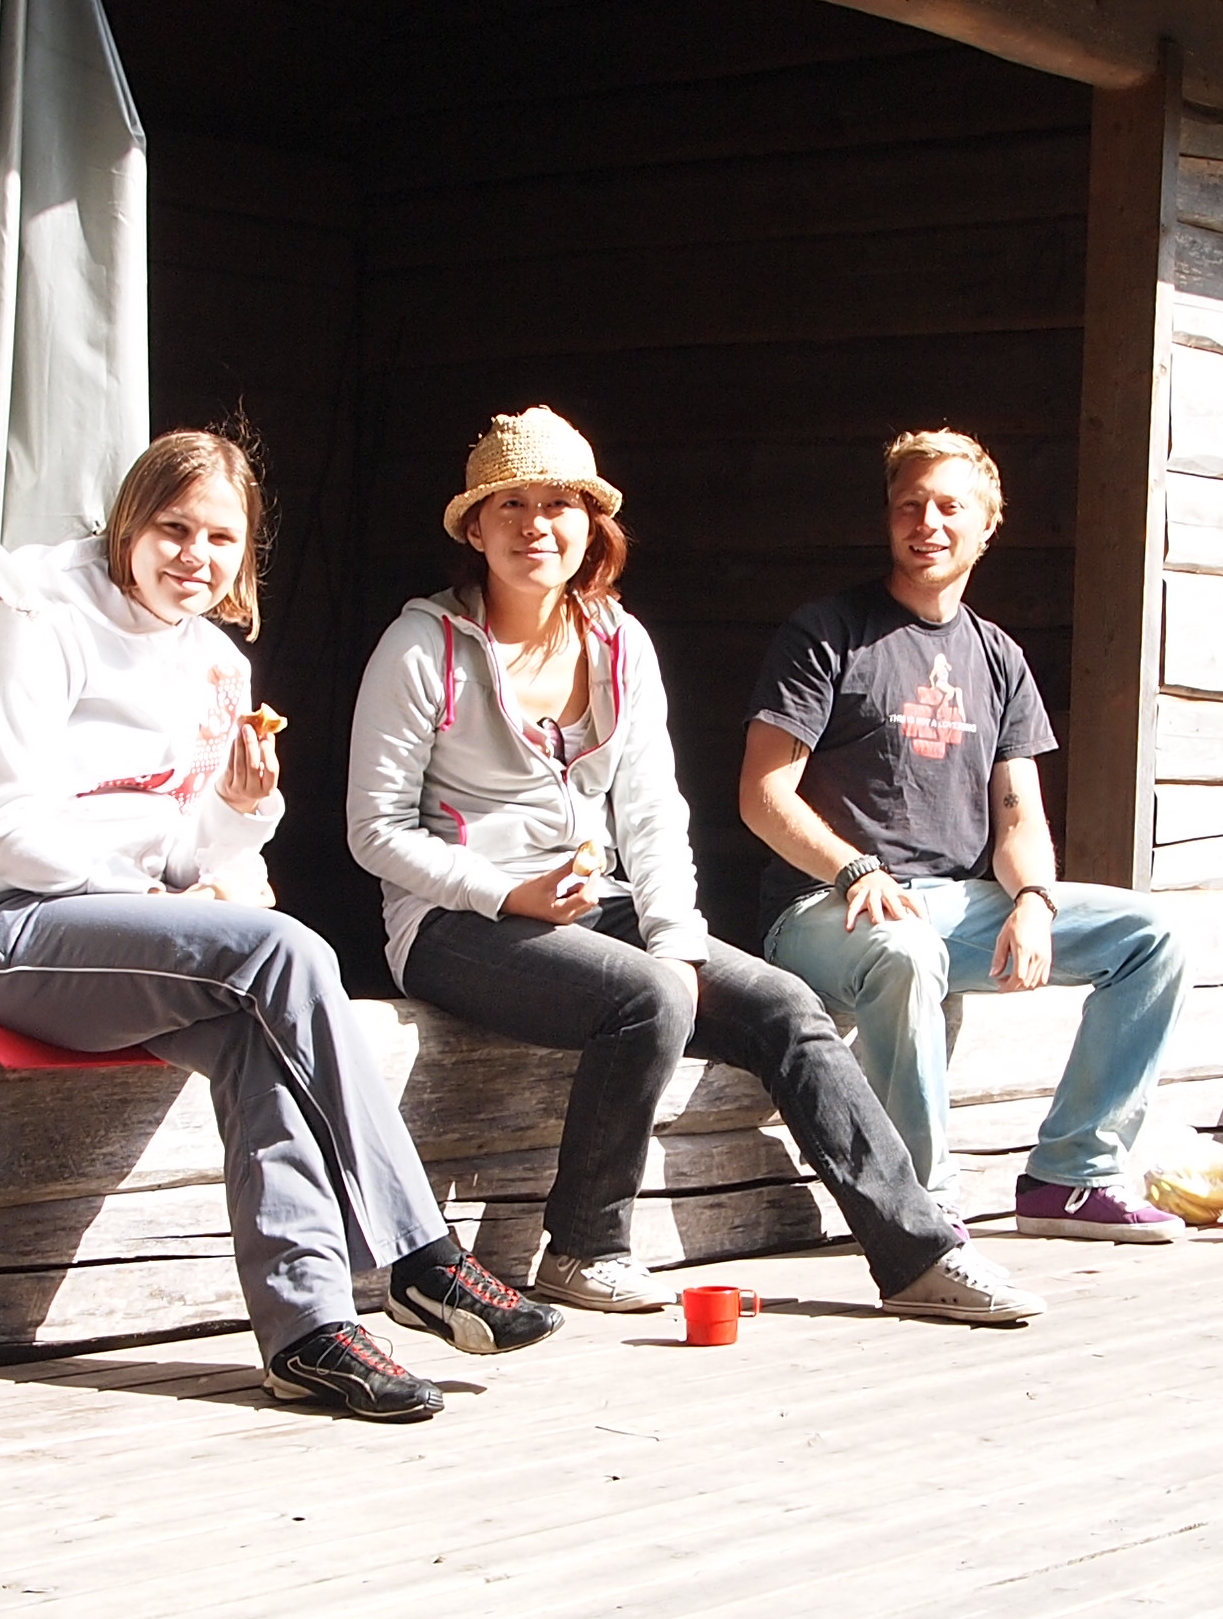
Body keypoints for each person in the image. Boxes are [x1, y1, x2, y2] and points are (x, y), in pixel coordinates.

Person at [347, 409, 1039, 1326]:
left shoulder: (617, 643)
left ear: (591, 524)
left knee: (783, 1006)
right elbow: (374, 831)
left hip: (591, 903)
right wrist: (508, 891)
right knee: (647, 998)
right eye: (509, 505)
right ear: (474, 528)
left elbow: (653, 813)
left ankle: (920, 1252)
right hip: (451, 921)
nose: (535, 525)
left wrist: (675, 941)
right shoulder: (421, 646)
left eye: (558, 504)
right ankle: (585, 1248)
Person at [0, 426, 556, 1421]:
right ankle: (421, 1254)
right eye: (174, 529)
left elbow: (195, 858)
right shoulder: (37, 620)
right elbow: (1, 830)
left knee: (257, 1035)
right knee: (287, 950)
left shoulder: (216, 662)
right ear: (130, 525)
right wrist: (153, 902)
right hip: (2, 929)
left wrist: (239, 811)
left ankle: (307, 1333)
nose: (196, 556)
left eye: (221, 539)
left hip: (122, 939)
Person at [742, 428, 1190, 1239]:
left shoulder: (999, 658)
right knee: (907, 953)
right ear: (888, 516)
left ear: (988, 524)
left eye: (951, 507)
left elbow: (1019, 816)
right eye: (910, 505)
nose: (928, 523)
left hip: (950, 902)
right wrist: (853, 869)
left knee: (1150, 936)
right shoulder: (829, 632)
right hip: (822, 908)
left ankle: (1072, 1176)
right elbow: (762, 795)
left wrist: (1035, 900)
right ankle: (920, 1210)